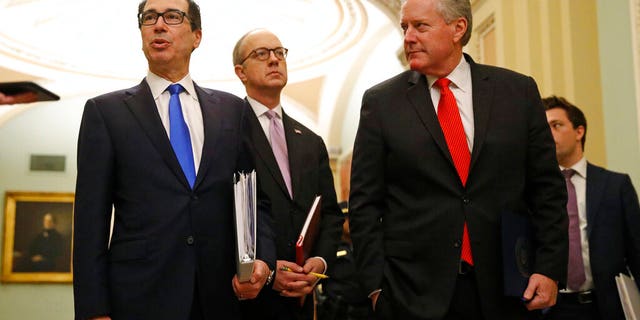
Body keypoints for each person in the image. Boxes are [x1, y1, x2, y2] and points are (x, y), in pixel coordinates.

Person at [348, 0, 569, 319]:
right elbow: (364, 204)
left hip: (508, 289)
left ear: (458, 28)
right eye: (404, 27)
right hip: (413, 295)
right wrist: (375, 288)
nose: (408, 37)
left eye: (420, 26)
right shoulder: (381, 103)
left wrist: (549, 268)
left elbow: (547, 190)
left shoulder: (516, 92)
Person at [73, 1, 276, 319]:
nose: (158, 25)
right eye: (149, 17)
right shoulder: (106, 113)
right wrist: (93, 310)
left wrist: (262, 258)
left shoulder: (232, 111)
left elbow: (255, 199)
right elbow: (89, 223)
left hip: (222, 297)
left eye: (172, 16)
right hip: (139, 298)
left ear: (197, 36)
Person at [232, 29, 344, 320]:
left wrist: (319, 263)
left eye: (279, 53)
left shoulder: (311, 140)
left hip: (301, 298)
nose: (274, 60)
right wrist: (268, 269)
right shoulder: (227, 132)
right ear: (240, 72)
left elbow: (330, 213)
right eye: (262, 54)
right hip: (248, 298)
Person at [542, 96, 640, 320]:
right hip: (551, 310)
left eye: (556, 125)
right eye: (543, 128)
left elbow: (637, 250)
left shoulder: (616, 186)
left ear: (579, 132)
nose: (548, 134)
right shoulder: (534, 189)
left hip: (605, 307)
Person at [316, 203, 372, 320]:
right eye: (346, 219)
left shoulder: (363, 245)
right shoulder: (330, 248)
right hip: (337, 309)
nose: (350, 223)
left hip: (363, 310)